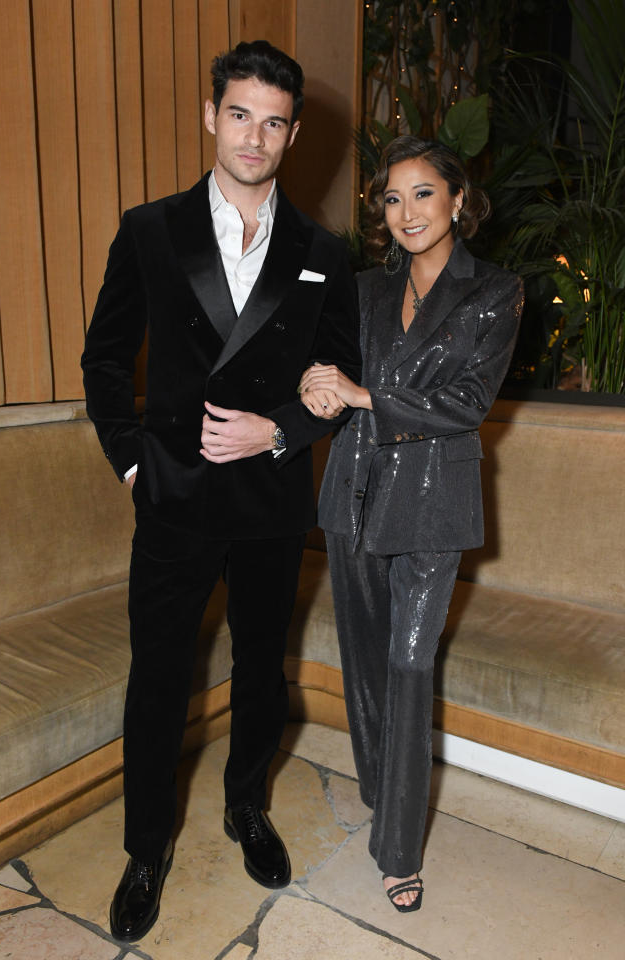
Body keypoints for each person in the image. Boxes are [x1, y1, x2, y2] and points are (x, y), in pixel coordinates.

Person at [81, 39, 360, 942]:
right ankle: (146, 849)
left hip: (273, 502)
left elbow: (344, 377)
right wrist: (133, 462)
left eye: (273, 121)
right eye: (239, 114)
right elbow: (104, 360)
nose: (255, 136)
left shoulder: (325, 249)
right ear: (211, 116)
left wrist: (279, 429)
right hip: (174, 495)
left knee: (259, 673)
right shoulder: (150, 230)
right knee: (159, 679)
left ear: (292, 133)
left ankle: (247, 807)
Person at [298, 135, 523, 912]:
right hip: (355, 494)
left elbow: (468, 402)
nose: (407, 212)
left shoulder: (496, 290)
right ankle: (381, 789)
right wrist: (319, 384)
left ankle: (397, 850)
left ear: (458, 200)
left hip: (432, 504)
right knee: (362, 660)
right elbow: (323, 367)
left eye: (423, 193)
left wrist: (363, 396)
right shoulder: (359, 290)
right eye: (392, 199)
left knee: (407, 664)